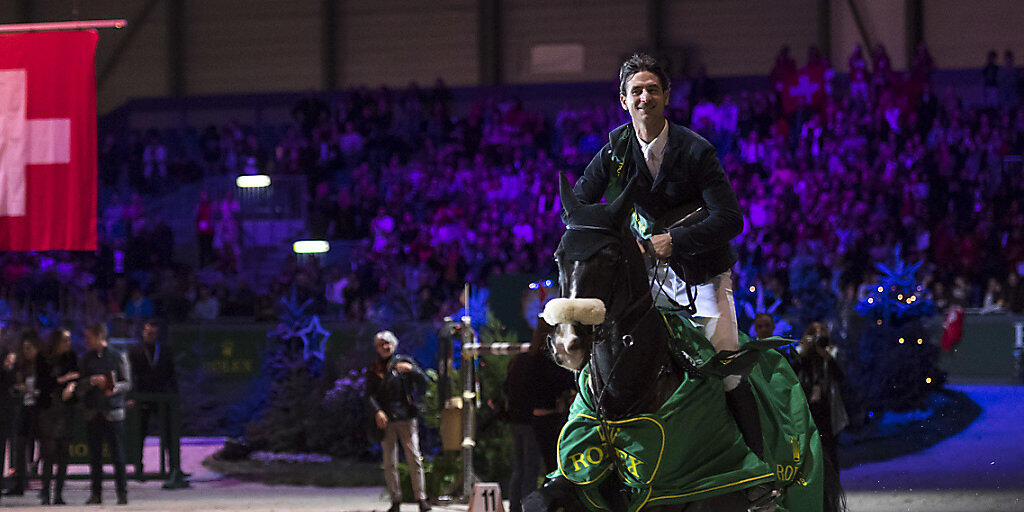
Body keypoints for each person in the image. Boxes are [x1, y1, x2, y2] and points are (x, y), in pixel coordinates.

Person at [569, 52, 764, 459]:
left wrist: (672, 241)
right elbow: (581, 204)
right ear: (623, 100)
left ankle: (756, 468)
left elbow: (730, 219)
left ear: (666, 97)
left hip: (703, 273)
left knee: (725, 368)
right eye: (636, 91)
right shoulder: (615, 149)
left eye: (652, 90)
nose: (644, 98)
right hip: (647, 281)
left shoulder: (696, 151)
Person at [501, 320, 574, 512]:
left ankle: (516, 507)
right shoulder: (549, 361)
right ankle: (530, 507)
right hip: (540, 419)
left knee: (521, 467)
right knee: (535, 469)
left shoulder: (522, 360)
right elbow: (563, 383)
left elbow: (507, 387)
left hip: (518, 419)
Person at [364, 331, 431, 512]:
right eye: (381, 344)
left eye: (388, 343)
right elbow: (369, 394)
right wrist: (377, 411)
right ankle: (395, 500)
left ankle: (421, 499)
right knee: (389, 462)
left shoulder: (403, 361)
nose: (385, 347)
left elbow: (425, 382)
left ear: (394, 345)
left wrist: (412, 370)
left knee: (414, 458)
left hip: (406, 417)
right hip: (386, 421)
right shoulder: (374, 368)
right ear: (377, 348)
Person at [79, 322, 132, 505]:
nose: (86, 341)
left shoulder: (118, 356)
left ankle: (122, 494)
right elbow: (80, 383)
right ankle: (96, 494)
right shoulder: (86, 358)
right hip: (94, 412)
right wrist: (91, 381)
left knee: (117, 455)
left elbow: (127, 383)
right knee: (95, 456)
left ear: (99, 336)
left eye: (89, 337)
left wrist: (113, 388)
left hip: (113, 412)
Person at [127, 318, 178, 474]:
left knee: (168, 432)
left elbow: (171, 374)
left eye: (154, 333)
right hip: (141, 396)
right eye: (148, 332)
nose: (151, 335)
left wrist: (173, 396)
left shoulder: (164, 351)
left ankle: (174, 468)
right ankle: (138, 467)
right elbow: (131, 375)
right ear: (143, 333)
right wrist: (131, 396)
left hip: (161, 397)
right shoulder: (135, 351)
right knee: (140, 432)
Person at [37, 328, 80, 505]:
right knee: (48, 452)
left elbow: (77, 375)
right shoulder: (44, 358)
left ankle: (59, 494)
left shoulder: (71, 357)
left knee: (63, 453)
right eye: (65, 340)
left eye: (69, 340)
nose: (68, 344)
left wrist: (71, 385)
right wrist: (62, 380)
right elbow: (43, 383)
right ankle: (45, 492)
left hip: (66, 409)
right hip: (49, 409)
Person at [10, 331, 42, 497]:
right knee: (20, 446)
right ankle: (20, 483)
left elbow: (44, 391)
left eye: (29, 348)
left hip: (39, 411)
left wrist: (31, 391)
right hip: (25, 409)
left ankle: (42, 481)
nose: (26, 352)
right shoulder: (21, 367)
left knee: (42, 447)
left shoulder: (43, 366)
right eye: (24, 349)